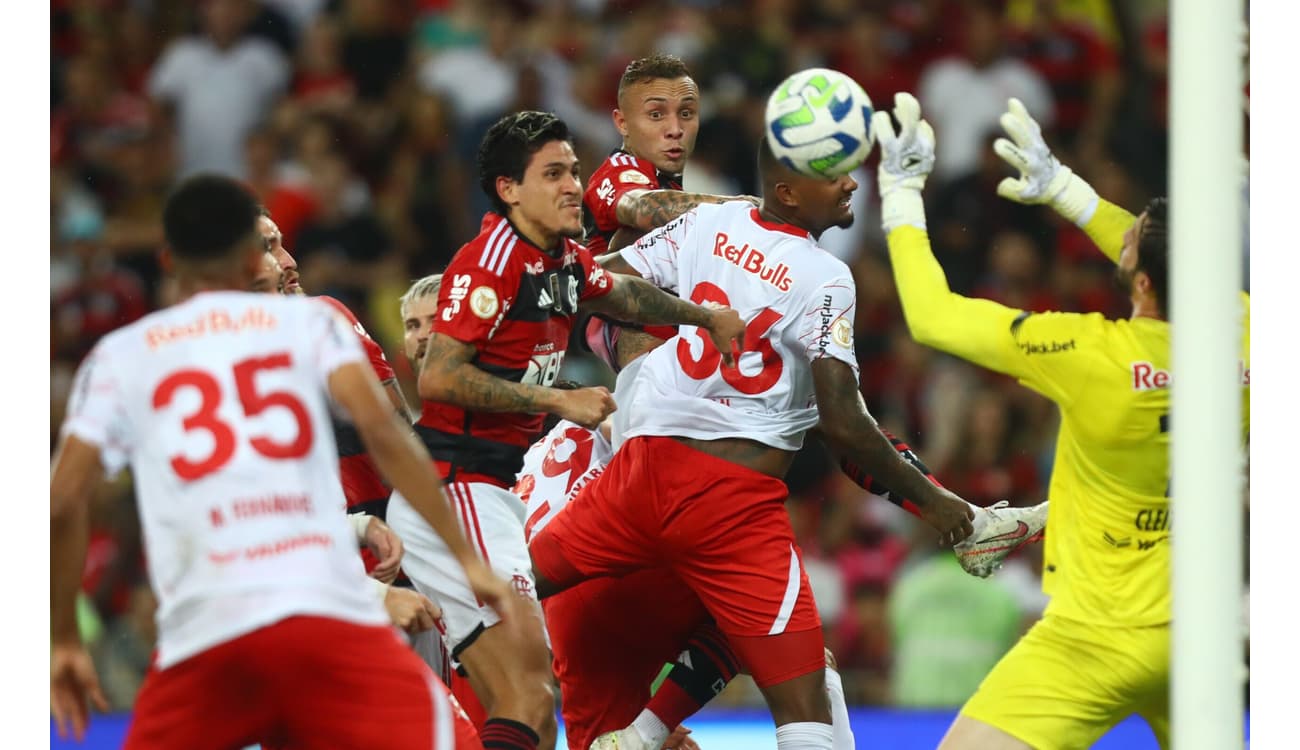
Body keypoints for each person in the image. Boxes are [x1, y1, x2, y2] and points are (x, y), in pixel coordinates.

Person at [528, 133, 984, 750]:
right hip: (726, 499)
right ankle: (642, 730)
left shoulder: (710, 224)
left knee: (505, 586)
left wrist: (523, 280)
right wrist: (943, 509)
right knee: (805, 699)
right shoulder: (825, 275)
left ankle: (635, 731)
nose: (851, 184)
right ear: (789, 191)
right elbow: (845, 426)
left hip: (637, 477)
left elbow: (604, 281)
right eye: (836, 174)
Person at [50, 174, 513, 748]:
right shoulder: (312, 324)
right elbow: (393, 440)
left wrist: (63, 638)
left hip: (207, 634)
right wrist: (467, 560)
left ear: (169, 258)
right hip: (326, 617)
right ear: (250, 255)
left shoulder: (122, 356)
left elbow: (62, 501)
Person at [867, 93, 1250, 749]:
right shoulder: (1247, 333)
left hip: (1092, 638)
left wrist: (900, 195)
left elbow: (931, 316)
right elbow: (1170, 259)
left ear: (1139, 283)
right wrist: (1067, 192)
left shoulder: (1089, 354)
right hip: (1198, 636)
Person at [386, 110, 746, 750]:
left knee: (524, 704)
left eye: (574, 171)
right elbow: (440, 378)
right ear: (509, 190)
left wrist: (703, 316)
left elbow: (625, 297)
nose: (574, 185)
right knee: (528, 696)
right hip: (458, 486)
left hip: (483, 493)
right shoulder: (490, 261)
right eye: (552, 174)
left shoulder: (559, 261)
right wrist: (555, 399)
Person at [582, 54, 754, 255]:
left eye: (686, 113)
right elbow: (644, 207)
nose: (675, 129)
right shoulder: (615, 174)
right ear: (623, 123)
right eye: (656, 115)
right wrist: (744, 206)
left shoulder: (669, 183)